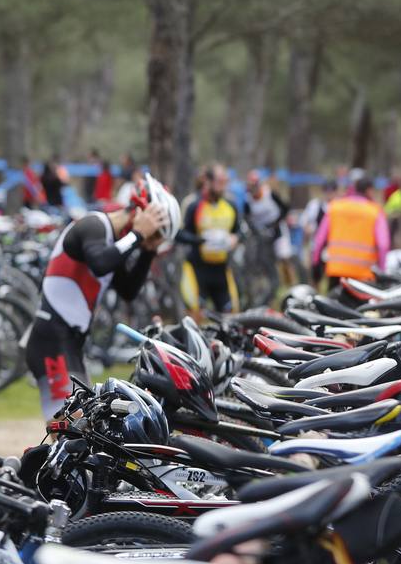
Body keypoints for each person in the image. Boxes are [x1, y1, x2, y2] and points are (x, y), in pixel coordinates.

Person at [26, 175, 180, 419]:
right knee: (70, 431)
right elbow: (100, 263)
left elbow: (128, 290)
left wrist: (147, 252)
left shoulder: (115, 242)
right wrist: (138, 235)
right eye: (155, 232)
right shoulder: (93, 226)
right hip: (50, 342)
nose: (153, 238)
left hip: (71, 344)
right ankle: (25, 460)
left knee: (86, 433)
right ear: (139, 211)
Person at [176, 163, 246, 316]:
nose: (223, 187)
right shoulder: (193, 204)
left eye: (225, 182)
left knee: (231, 317)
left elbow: (240, 231)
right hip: (197, 270)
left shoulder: (230, 205)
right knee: (195, 316)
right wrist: (202, 240)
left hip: (221, 270)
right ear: (207, 181)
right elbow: (179, 235)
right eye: (220, 182)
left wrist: (236, 238)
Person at [311, 171, 390, 284]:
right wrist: (382, 271)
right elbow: (383, 245)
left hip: (336, 270)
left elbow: (319, 239)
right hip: (363, 274)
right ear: (369, 190)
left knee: (334, 301)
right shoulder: (375, 211)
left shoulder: (335, 207)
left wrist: (315, 262)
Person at [243, 170, 294, 288]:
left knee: (284, 257)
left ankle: (290, 283)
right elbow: (247, 218)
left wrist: (276, 223)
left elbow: (285, 208)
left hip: (277, 229)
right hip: (261, 233)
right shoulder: (248, 200)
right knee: (261, 259)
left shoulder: (269, 194)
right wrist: (255, 229)